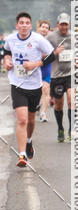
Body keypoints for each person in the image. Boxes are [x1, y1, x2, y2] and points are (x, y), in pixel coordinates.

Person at [3, 12, 55, 167]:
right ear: (17, 25)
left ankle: (29, 141)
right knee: (22, 119)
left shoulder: (38, 40)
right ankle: (22, 154)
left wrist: (35, 64)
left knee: (31, 120)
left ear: (31, 26)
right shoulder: (11, 39)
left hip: (35, 85)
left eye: (27, 23)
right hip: (17, 84)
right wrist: (6, 61)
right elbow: (6, 52)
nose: (24, 25)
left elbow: (51, 56)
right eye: (21, 23)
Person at [46, 13, 74, 140]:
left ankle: (71, 130)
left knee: (72, 101)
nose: (64, 27)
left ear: (69, 24)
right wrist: (55, 53)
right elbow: (44, 55)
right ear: (57, 24)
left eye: (66, 24)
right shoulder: (50, 37)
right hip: (56, 75)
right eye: (62, 24)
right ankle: (60, 128)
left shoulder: (74, 36)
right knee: (58, 105)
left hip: (71, 74)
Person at [36, 20, 52, 122]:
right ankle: (36, 105)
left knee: (46, 90)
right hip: (34, 69)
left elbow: (54, 54)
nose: (44, 29)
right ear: (38, 28)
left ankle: (43, 113)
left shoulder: (51, 40)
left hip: (46, 69)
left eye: (47, 28)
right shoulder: (33, 39)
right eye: (43, 27)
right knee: (37, 92)